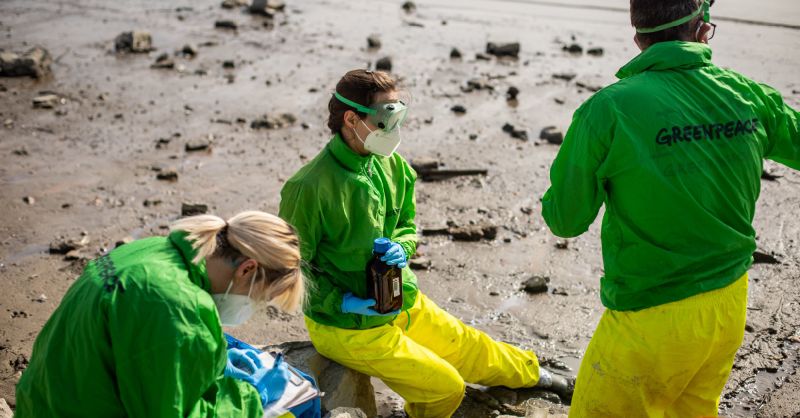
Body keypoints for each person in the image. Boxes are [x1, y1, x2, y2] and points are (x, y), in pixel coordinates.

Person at [540, 0, 800, 416]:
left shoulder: (607, 109)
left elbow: (565, 220)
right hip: (728, 304)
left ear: (639, 37)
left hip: (651, 317)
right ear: (702, 29)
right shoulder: (749, 95)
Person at [279, 69, 570, 418]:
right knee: (445, 387)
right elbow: (289, 269)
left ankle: (536, 375)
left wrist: (403, 246)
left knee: (472, 348)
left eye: (398, 115)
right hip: (346, 326)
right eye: (385, 119)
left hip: (399, 299)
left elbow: (407, 224)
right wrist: (342, 302)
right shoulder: (309, 187)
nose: (395, 129)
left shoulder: (393, 166)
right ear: (351, 118)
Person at [15, 211, 306, 417]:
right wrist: (251, 400)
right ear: (247, 269)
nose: (253, 308)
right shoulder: (179, 309)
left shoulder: (152, 250)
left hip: (43, 403)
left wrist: (209, 361)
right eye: (259, 299)